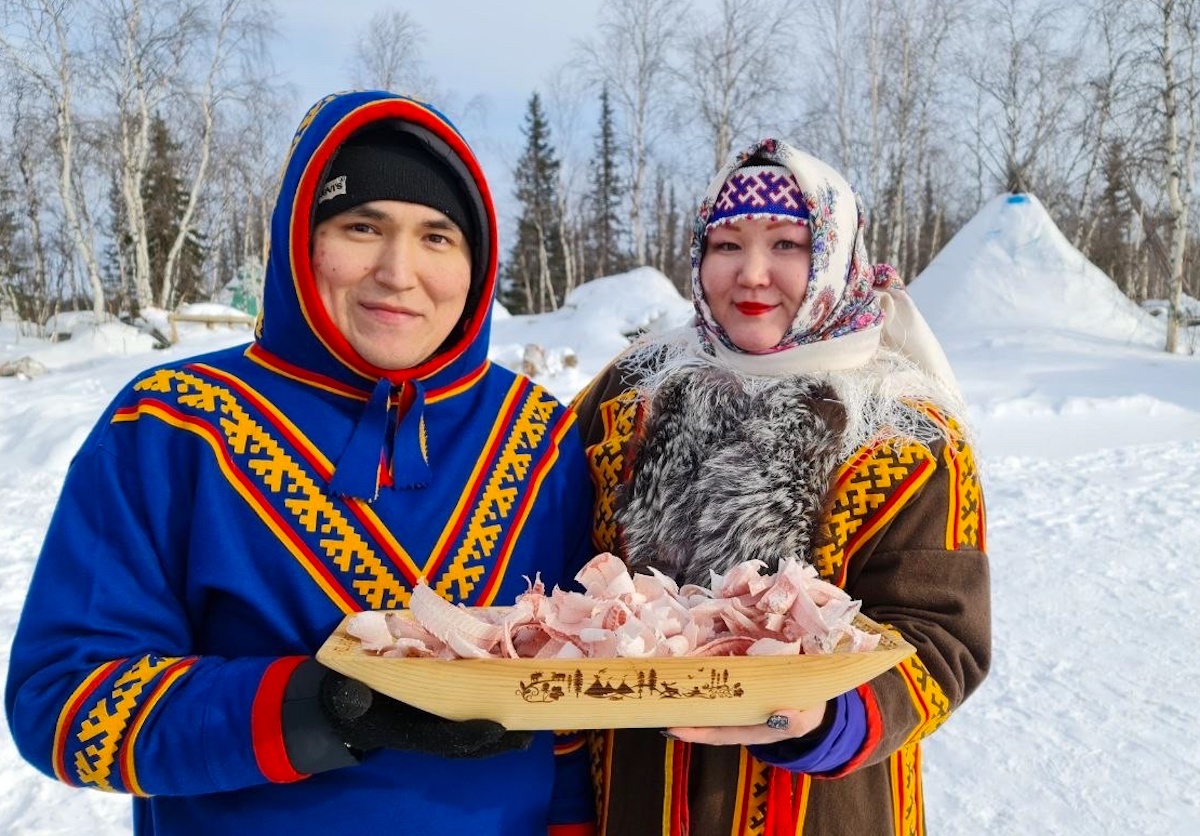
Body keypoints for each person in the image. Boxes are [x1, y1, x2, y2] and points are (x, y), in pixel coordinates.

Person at [5, 90, 596, 836]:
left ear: (476, 265)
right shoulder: (171, 426)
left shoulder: (536, 437)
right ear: (300, 240)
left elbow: (579, 715)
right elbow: (63, 702)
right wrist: (312, 707)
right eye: (362, 227)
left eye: (437, 237)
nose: (397, 271)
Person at [572, 138, 991, 835]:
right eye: (727, 244)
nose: (752, 275)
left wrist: (829, 719)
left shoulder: (902, 431)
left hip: (818, 807)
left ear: (832, 254)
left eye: (788, 245)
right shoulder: (629, 395)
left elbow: (944, 637)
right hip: (635, 789)